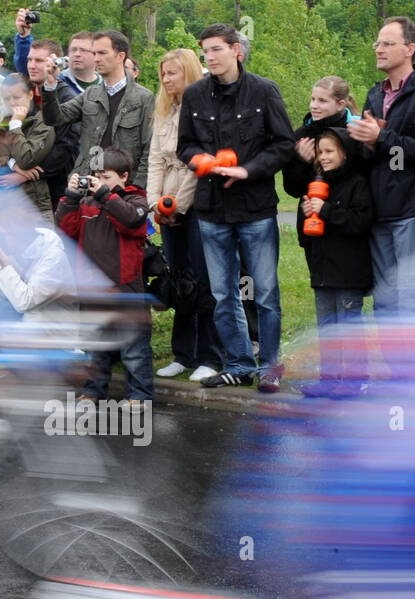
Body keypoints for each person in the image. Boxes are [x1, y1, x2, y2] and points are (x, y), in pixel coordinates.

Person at [177, 23, 295, 392]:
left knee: (264, 292)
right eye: (205, 51)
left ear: (236, 51)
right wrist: (204, 161)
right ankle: (240, 363)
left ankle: (270, 366)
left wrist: (247, 170)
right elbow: (184, 146)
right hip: (212, 210)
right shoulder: (194, 95)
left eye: (215, 50)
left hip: (255, 208)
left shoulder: (264, 91)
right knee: (223, 294)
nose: (209, 57)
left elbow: (283, 145)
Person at [347, 15, 415, 371]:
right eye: (378, 42)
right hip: (380, 212)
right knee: (386, 300)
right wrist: (359, 142)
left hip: (413, 210)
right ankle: (397, 374)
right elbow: (371, 155)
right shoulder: (375, 93)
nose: (379, 48)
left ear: (410, 49)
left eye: (388, 43)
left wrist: (381, 137)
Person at [56, 147, 153, 408]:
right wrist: (70, 198)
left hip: (125, 285)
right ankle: (93, 391)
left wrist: (105, 195)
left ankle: (140, 395)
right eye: (95, 175)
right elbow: (65, 230)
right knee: (94, 345)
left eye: (106, 176)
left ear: (124, 176)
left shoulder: (137, 200)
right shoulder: (87, 203)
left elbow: (131, 222)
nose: (98, 181)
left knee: (133, 346)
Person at [147, 48, 220, 382]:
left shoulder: (203, 109)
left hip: (194, 205)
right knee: (178, 279)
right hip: (165, 205)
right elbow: (155, 160)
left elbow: (198, 163)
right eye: (163, 73)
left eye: (172, 73)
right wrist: (155, 205)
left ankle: (210, 354)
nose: (166, 79)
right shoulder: (164, 109)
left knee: (202, 280)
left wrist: (179, 205)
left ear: (187, 72)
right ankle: (183, 353)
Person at [288, 128, 373, 399]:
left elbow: (360, 222)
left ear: (344, 153)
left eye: (329, 152)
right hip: (322, 269)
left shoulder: (357, 182)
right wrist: (306, 215)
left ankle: (355, 380)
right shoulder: (316, 182)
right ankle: (329, 379)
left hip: (349, 271)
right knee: (327, 327)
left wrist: (325, 210)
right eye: (320, 152)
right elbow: (306, 233)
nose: (323, 157)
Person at [41, 30, 154, 188]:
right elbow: (55, 119)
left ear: (120, 56)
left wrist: (137, 189)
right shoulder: (90, 94)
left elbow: (149, 151)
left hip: (123, 189)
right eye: (94, 53)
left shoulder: (144, 98)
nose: (96, 59)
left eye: (102, 53)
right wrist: (51, 85)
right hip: (85, 186)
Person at [0, 75, 56, 219]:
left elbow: (27, 158)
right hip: (0, 207)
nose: (12, 103)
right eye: (7, 99)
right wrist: (11, 164)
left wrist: (15, 126)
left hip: (33, 207)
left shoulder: (43, 123)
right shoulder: (1, 125)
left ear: (30, 95)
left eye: (16, 97)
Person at [23, 38, 81, 206]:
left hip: (57, 186)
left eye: (39, 60)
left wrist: (26, 173)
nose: (32, 65)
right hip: (27, 186)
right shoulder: (25, 93)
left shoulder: (68, 97)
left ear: (54, 63)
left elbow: (64, 147)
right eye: (29, 60)